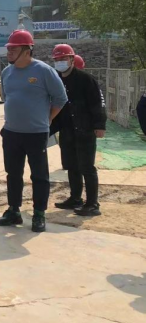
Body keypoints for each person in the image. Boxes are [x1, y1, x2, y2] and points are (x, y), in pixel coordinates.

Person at [0, 30, 68, 233]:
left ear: (27, 50)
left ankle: (39, 213)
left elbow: (60, 99)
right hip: (11, 132)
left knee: (39, 175)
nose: (9, 52)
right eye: (8, 49)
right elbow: (7, 98)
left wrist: (48, 119)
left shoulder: (44, 71)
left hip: (36, 134)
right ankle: (14, 210)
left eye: (14, 49)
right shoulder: (6, 73)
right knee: (13, 174)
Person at [49, 44, 106, 217]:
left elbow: (97, 103)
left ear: (72, 59)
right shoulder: (56, 79)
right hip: (67, 130)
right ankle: (75, 198)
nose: (60, 61)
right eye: (57, 59)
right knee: (72, 166)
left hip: (85, 129)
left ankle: (92, 204)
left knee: (87, 167)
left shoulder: (86, 79)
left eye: (63, 58)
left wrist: (99, 125)